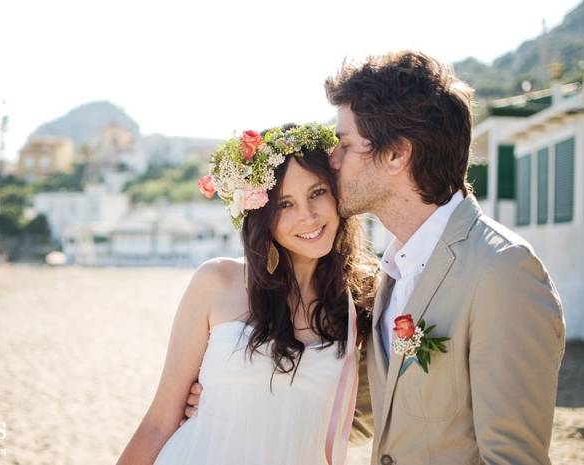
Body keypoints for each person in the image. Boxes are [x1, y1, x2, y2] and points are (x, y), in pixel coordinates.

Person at [184, 51, 566, 465]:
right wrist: (240, 399)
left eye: (345, 144)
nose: (332, 159)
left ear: (396, 155)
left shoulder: (502, 272)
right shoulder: (391, 276)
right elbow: (371, 415)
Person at [114, 123, 377, 465]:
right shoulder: (217, 281)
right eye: (284, 204)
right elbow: (159, 422)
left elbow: (365, 416)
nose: (308, 216)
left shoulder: (362, 301)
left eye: (317, 192)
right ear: (262, 216)